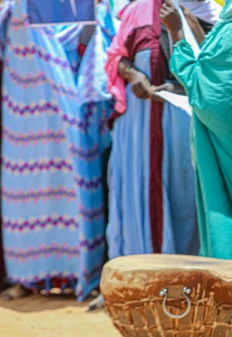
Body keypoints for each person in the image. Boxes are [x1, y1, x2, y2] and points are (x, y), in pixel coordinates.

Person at [0, 0, 114, 300]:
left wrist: (96, 17)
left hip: (65, 112)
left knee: (70, 195)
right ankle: (28, 278)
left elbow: (82, 41)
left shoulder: (79, 8)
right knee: (22, 198)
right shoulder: (15, 9)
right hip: (22, 116)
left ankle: (77, 275)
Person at [160, 0, 232, 259]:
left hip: (228, 137)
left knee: (221, 206)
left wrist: (176, 34)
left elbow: (210, 98)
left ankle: (226, 282)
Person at [104, 0, 200, 259]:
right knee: (138, 196)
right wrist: (134, 75)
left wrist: (177, 89)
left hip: (180, 121)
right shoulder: (137, 10)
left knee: (184, 196)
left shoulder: (203, 11)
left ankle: (183, 280)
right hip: (138, 123)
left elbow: (212, 72)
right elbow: (115, 57)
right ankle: (137, 279)